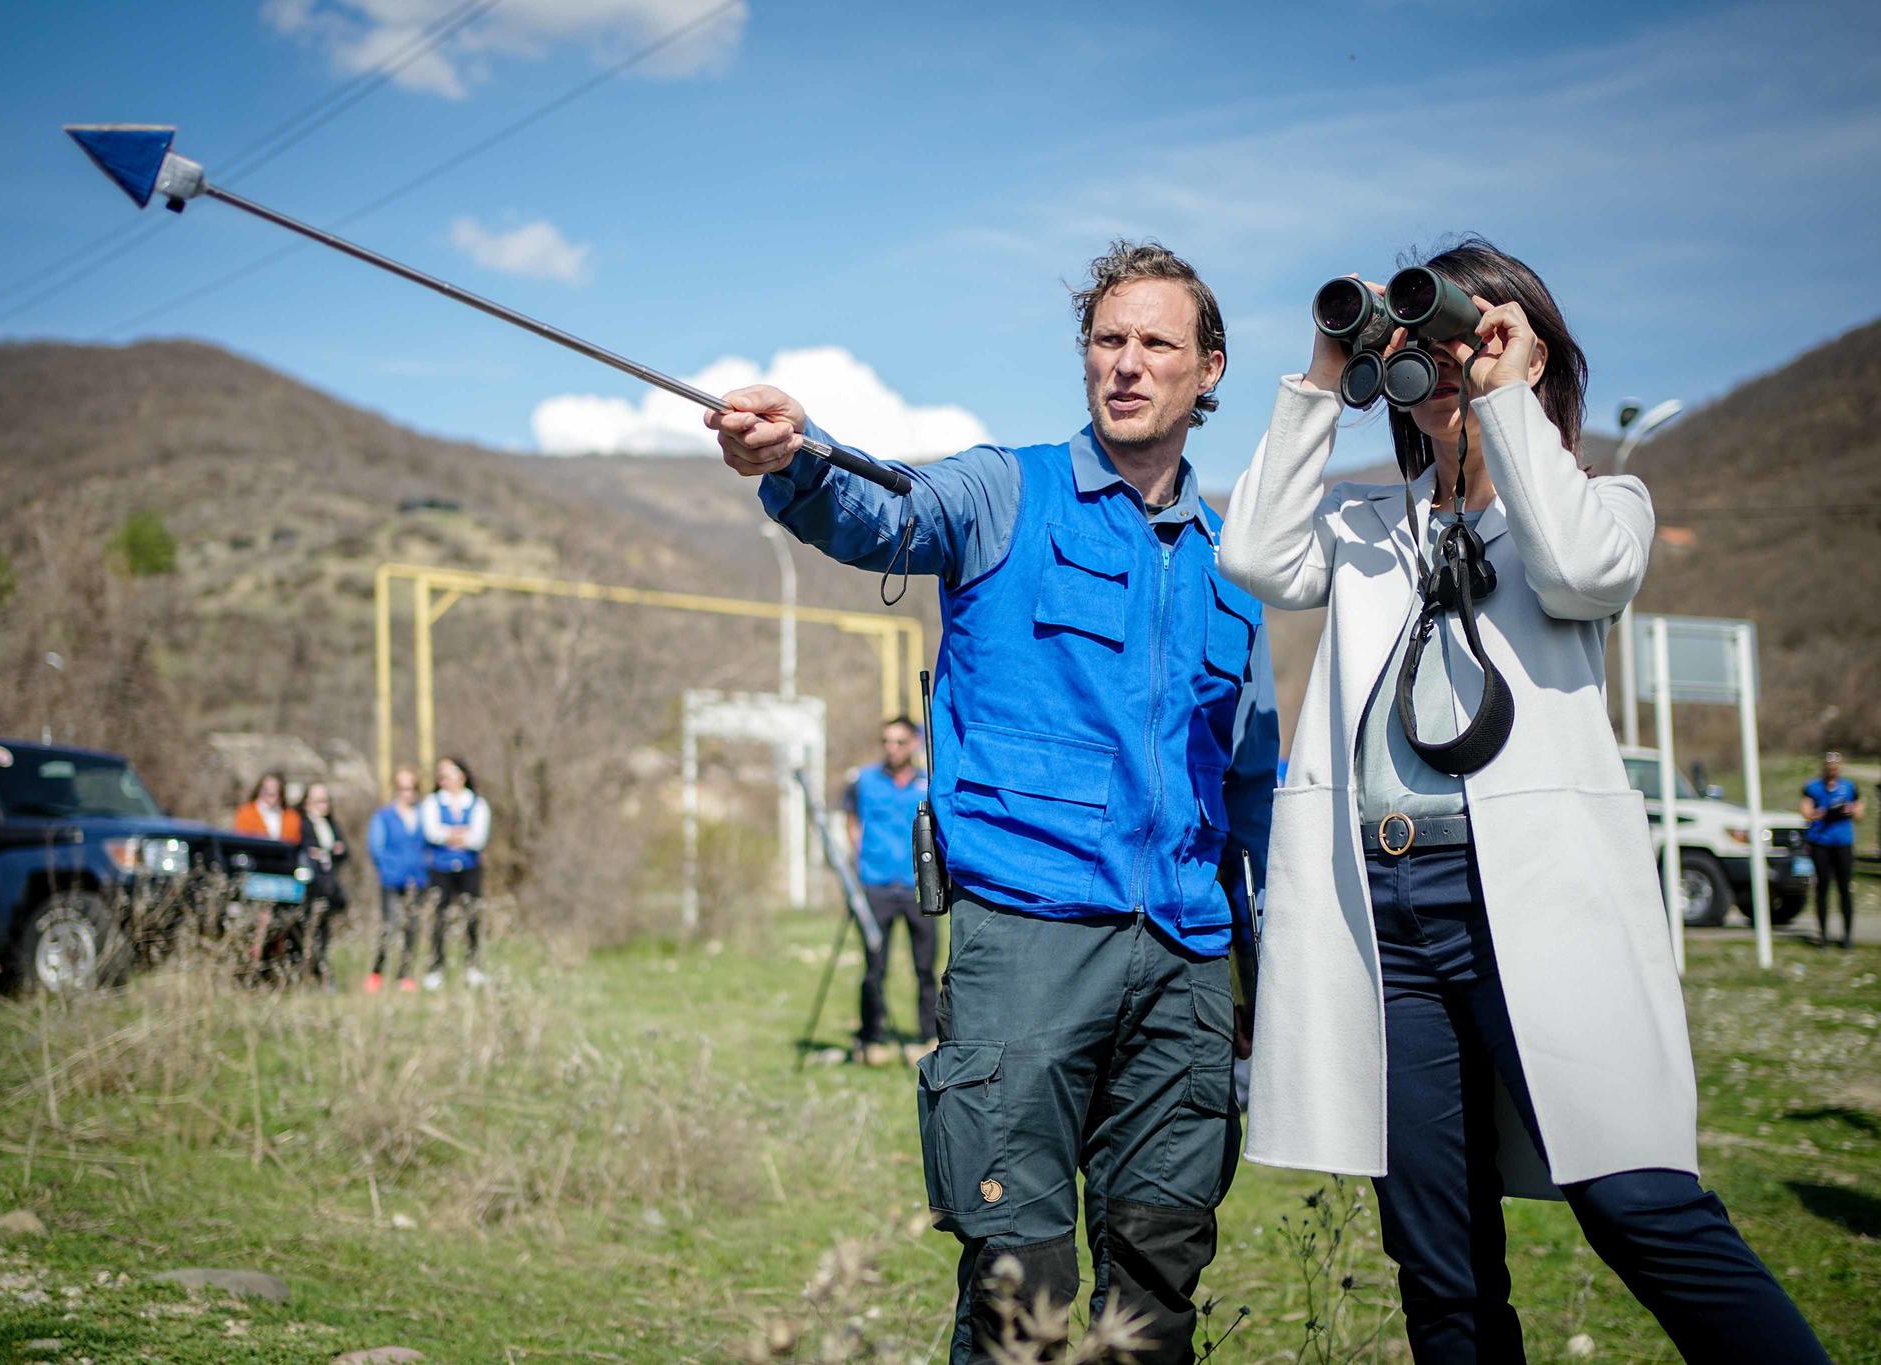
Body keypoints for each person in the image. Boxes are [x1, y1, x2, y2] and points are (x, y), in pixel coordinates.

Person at [1222, 238, 1826, 1362]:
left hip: (1531, 906)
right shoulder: (1364, 529)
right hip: (1384, 909)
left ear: (1535, 354)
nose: (1451, 359)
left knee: (1638, 1205)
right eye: (1434, 344)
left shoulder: (1599, 503)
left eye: (1478, 338)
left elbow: (1581, 576)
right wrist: (1320, 373)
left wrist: (1507, 405)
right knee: (1435, 1258)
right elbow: (1254, 555)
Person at [708, 240, 1279, 1363]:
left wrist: (1262, 974)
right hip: (1024, 943)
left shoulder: (1237, 564)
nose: (1125, 364)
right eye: (1105, 340)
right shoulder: (1003, 490)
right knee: (1023, 1285)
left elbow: (1249, 791)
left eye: (1154, 343)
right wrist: (800, 455)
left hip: (1185, 958)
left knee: (1156, 1285)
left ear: (1207, 371)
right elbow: (889, 512)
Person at [843, 716, 937, 1064]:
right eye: (886, 741)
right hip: (877, 886)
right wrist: (860, 857)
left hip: (918, 889)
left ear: (913, 744)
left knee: (925, 967)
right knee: (874, 967)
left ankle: (927, 1036)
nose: (891, 748)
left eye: (899, 741)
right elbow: (852, 821)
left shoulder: (928, 781)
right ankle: (871, 1039)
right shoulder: (863, 781)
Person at [420, 756, 489, 990]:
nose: (445, 779)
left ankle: (473, 966)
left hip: (469, 868)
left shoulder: (477, 803)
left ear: (462, 775)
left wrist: (450, 835)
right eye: (441, 775)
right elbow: (432, 833)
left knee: (471, 916)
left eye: (449, 774)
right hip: (440, 868)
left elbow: (478, 838)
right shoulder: (432, 802)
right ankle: (436, 968)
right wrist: (459, 835)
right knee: (439, 918)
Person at [366, 766, 430, 992]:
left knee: (412, 928)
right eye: (403, 788)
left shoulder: (424, 814)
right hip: (392, 879)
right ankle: (377, 972)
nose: (407, 793)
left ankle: (405, 975)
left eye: (412, 788)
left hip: (418, 879)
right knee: (389, 927)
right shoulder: (384, 816)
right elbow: (376, 847)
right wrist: (388, 870)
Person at [1800, 750, 1862, 949]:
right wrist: (1822, 813)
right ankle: (1823, 936)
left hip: (1843, 842)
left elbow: (1860, 812)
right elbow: (1806, 812)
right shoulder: (1813, 787)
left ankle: (1847, 937)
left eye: (1836, 768)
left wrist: (1850, 810)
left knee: (1845, 888)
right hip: (1821, 842)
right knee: (1823, 888)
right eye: (1829, 768)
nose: (1832, 772)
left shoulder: (1849, 787)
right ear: (1824, 768)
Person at [294, 782, 349, 986]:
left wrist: (336, 852)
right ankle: (306, 973)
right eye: (318, 800)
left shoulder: (330, 824)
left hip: (328, 886)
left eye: (325, 800)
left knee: (323, 933)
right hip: (309, 886)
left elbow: (343, 851)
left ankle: (321, 973)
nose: (322, 805)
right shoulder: (302, 823)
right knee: (307, 931)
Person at [233, 771, 299, 843]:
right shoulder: (246, 812)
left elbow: (295, 841)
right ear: (259, 790)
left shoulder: (291, 816)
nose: (271, 791)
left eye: (275, 789)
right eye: (266, 789)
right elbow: (242, 839)